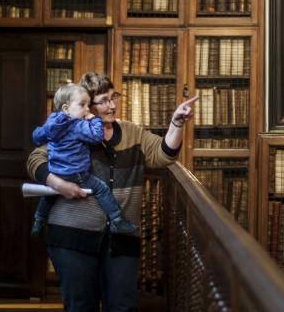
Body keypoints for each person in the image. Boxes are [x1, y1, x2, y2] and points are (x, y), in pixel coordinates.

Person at [25, 71, 197, 312]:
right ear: (85, 106)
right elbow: (35, 159)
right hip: (71, 236)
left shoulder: (130, 131)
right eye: (103, 100)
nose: (112, 105)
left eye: (113, 97)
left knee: (122, 306)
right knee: (80, 306)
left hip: (121, 239)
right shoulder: (68, 128)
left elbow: (163, 154)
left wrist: (176, 123)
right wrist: (58, 184)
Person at [29, 83, 137, 238]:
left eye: (88, 105)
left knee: (49, 194)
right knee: (102, 189)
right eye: (82, 105)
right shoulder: (77, 125)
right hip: (76, 173)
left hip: (55, 171)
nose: (87, 109)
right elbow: (96, 136)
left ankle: (38, 221)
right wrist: (94, 120)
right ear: (66, 109)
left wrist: (45, 130)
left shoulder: (52, 122)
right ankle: (117, 220)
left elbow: (36, 137)